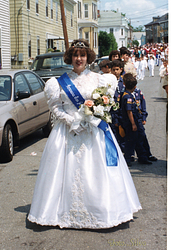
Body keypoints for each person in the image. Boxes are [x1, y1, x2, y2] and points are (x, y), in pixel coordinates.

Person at [27, 39, 141, 229]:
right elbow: (55, 107)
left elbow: (105, 104)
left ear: (88, 57)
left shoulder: (101, 79)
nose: (79, 58)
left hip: (93, 130)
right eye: (75, 55)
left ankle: (100, 210)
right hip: (67, 131)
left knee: (96, 172)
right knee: (64, 172)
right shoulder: (58, 82)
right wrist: (70, 120)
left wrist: (90, 118)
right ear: (70, 57)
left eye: (82, 55)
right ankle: (61, 212)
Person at [121, 73, 151, 166]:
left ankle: (143, 157)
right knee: (131, 141)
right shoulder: (127, 96)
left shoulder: (128, 94)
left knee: (139, 139)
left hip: (136, 120)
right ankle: (127, 159)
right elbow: (129, 111)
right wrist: (133, 124)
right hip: (131, 122)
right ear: (134, 87)